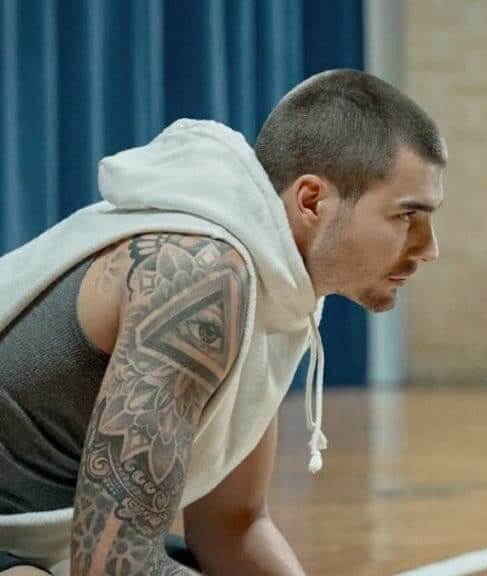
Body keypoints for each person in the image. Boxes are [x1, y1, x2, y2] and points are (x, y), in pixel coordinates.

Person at [0, 69, 446, 575]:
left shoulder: (276, 289)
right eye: (408, 216)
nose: (429, 248)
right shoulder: (203, 278)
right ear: (311, 201)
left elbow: (231, 525)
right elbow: (113, 568)